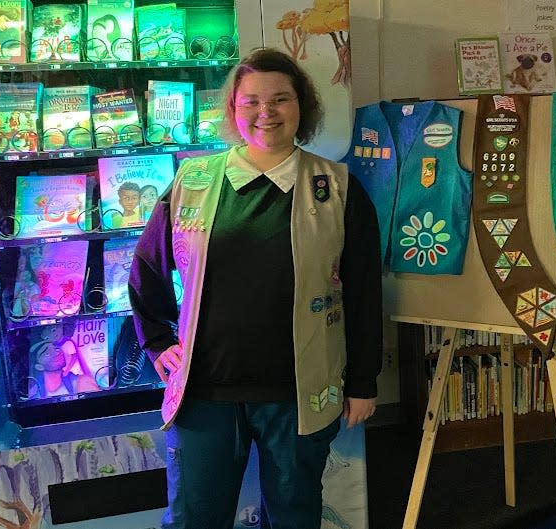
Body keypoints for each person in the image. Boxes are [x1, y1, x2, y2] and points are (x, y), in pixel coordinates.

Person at [128, 48, 382, 529]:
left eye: (281, 99)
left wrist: (364, 381)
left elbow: (365, 293)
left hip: (299, 391)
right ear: (233, 110)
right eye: (251, 102)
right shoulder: (193, 181)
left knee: (294, 513)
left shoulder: (338, 187)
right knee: (194, 517)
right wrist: (158, 340)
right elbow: (146, 268)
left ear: (301, 107)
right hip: (204, 389)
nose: (266, 112)